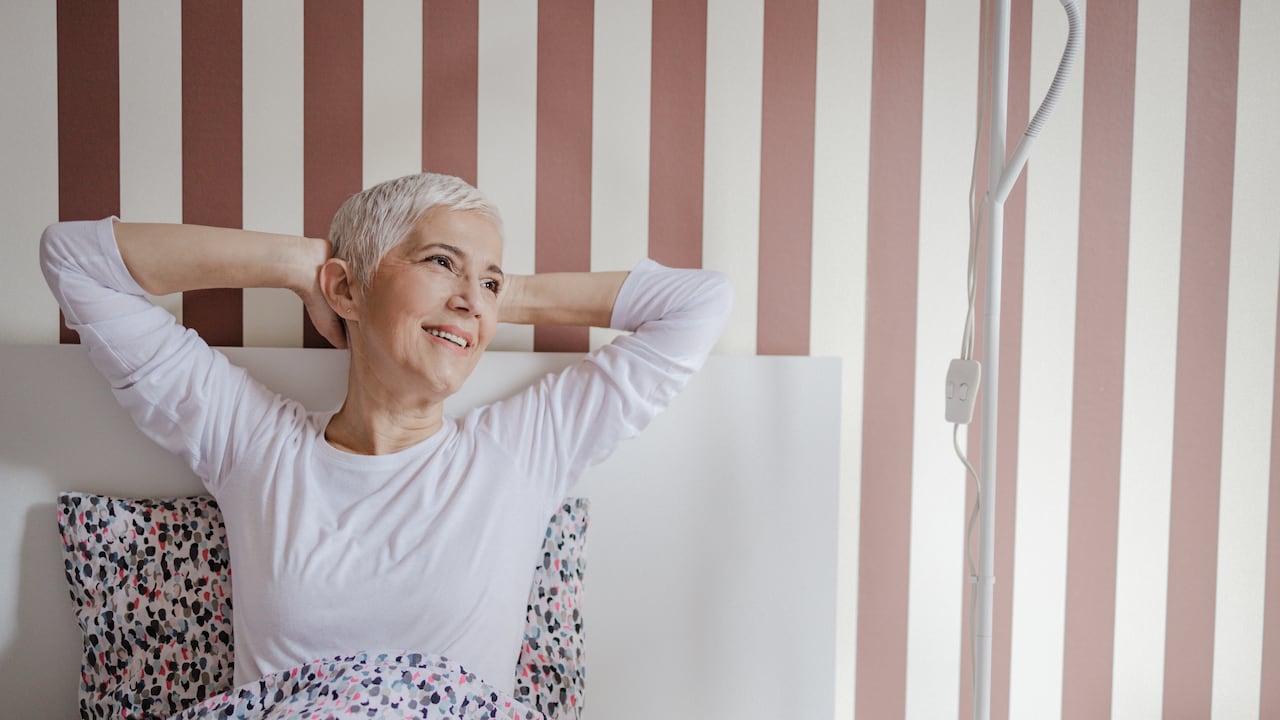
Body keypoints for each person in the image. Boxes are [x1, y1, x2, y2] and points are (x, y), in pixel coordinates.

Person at [40, 172, 732, 695]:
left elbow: (699, 303)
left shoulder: (523, 450)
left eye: (489, 282)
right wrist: (299, 265)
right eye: (440, 261)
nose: (473, 298)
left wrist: (488, 296)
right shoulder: (253, 444)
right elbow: (73, 258)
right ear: (345, 290)